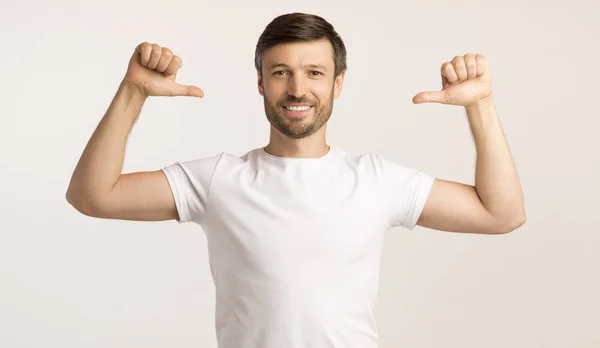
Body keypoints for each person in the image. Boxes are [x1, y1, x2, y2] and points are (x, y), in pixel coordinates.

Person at [66, 12, 525, 348]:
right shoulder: (219, 180)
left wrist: (479, 105)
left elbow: (501, 214)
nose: (298, 89)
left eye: (315, 73)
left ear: (337, 84)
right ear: (261, 83)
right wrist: (134, 91)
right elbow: (93, 195)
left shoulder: (376, 182)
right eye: (281, 72)